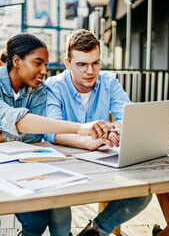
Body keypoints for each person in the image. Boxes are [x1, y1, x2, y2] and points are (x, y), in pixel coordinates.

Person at [0, 32, 115, 236]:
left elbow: (33, 136)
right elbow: (18, 121)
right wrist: (78, 128)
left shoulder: (38, 90)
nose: (44, 71)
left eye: (46, 64)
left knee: (37, 222)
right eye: (38, 63)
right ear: (17, 61)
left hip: (20, 164)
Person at [43, 29, 152, 236]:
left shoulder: (109, 82)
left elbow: (129, 119)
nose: (90, 71)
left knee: (143, 193)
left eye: (96, 63)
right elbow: (51, 130)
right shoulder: (53, 87)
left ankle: (95, 232)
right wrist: (89, 140)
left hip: (103, 161)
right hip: (65, 164)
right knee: (58, 195)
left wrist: (112, 130)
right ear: (67, 63)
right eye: (81, 64)